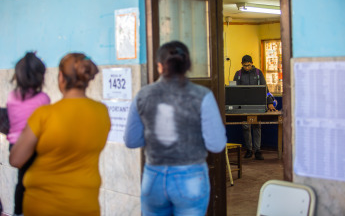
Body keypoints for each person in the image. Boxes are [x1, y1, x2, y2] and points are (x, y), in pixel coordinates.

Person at [124, 41, 227, 216]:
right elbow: (216, 145)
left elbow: (132, 140)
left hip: (153, 177)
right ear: (188, 65)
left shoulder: (143, 95)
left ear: (159, 66)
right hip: (191, 177)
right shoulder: (202, 96)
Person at [9, 53, 111, 216]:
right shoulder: (102, 113)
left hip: (43, 206)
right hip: (85, 205)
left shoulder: (45, 115)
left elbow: (16, 160)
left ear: (61, 78)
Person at [6, 52, 50, 216]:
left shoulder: (11, 97)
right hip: (35, 146)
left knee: (22, 180)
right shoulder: (43, 99)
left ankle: (19, 212)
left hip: (15, 147)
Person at [233, 54, 276, 160]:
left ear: (252, 63)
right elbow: (233, 90)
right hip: (243, 105)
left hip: (257, 104)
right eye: (244, 65)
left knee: (257, 126)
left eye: (248, 65)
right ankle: (249, 150)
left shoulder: (258, 73)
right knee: (246, 127)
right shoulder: (238, 74)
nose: (246, 67)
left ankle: (257, 150)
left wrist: (269, 102)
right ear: (242, 64)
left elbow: (265, 89)